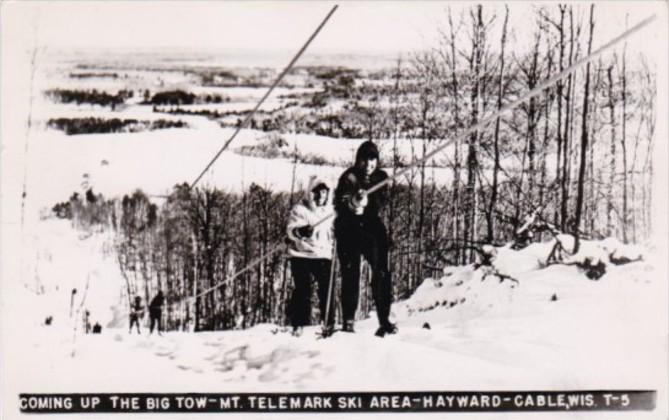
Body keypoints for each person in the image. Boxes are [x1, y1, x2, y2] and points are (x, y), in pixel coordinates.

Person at [334, 141, 397, 337]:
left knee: (381, 272)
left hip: (371, 226)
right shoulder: (349, 176)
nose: (369, 165)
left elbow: (380, 201)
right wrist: (353, 201)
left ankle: (384, 320)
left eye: (372, 161)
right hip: (349, 227)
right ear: (358, 160)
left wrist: (367, 201)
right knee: (350, 272)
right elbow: (341, 201)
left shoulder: (381, 177)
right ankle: (348, 321)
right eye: (365, 161)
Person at [286, 175, 336, 337]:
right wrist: (300, 231)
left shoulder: (331, 212)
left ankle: (329, 323)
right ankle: (299, 324)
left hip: (322, 255)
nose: (321, 196)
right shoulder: (300, 209)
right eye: (317, 192)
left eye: (324, 192)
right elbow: (291, 229)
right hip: (301, 254)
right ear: (310, 193)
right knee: (303, 289)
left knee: (327, 288)